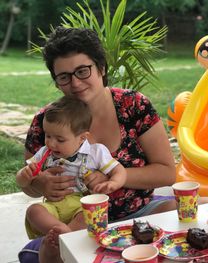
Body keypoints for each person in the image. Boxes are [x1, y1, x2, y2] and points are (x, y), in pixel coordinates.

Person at [18, 26, 186, 263]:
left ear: (101, 68)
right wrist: (39, 185)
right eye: (64, 76)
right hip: (75, 224)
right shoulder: (47, 121)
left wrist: (115, 177)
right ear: (56, 82)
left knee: (201, 208)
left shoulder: (134, 106)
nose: (75, 83)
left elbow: (168, 173)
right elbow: (28, 182)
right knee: (52, 251)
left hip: (136, 214)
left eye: (83, 71)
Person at [16, 96, 127, 243]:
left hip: (81, 205)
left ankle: (65, 236)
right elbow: (22, 181)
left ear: (82, 138)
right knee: (33, 211)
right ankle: (62, 232)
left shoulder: (95, 152)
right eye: (47, 136)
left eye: (60, 139)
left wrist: (113, 183)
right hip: (52, 206)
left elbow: (119, 171)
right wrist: (24, 176)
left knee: (88, 215)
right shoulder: (44, 153)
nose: (51, 143)